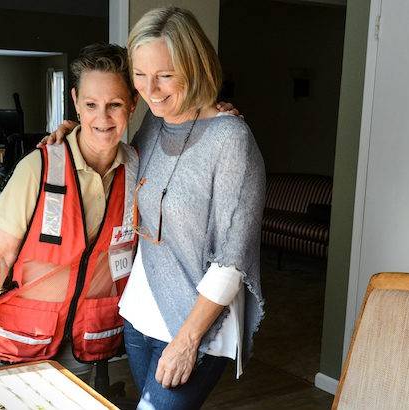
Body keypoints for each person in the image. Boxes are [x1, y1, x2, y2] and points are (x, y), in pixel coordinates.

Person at [43, 7, 265, 409]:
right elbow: (116, 149)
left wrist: (186, 341)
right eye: (141, 76)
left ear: (195, 66)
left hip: (194, 327)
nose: (152, 90)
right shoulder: (153, 121)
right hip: (139, 315)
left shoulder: (232, 141)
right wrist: (73, 132)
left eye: (165, 75)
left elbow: (233, 258)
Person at [0, 43, 141, 380]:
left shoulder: (140, 172)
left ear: (133, 103)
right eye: (91, 104)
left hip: (89, 346)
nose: (102, 118)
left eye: (114, 104)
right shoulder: (38, 167)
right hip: (15, 344)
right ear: (75, 102)